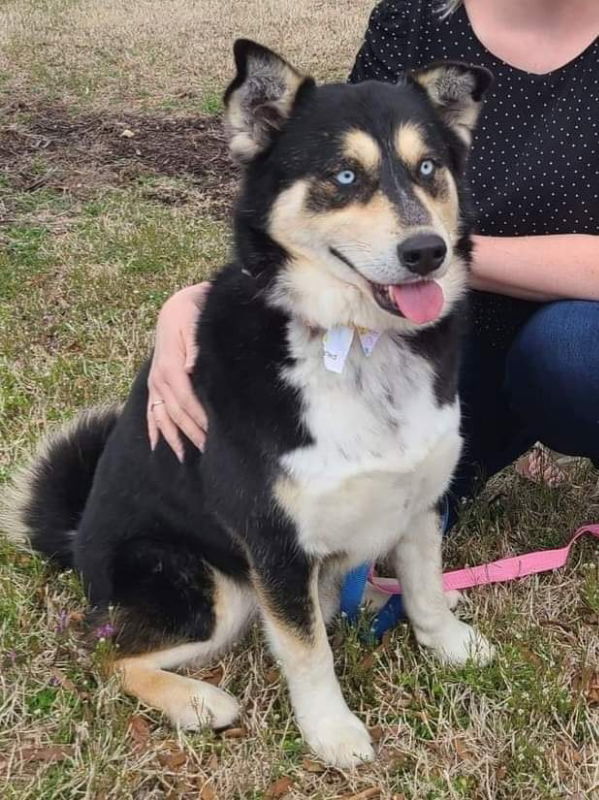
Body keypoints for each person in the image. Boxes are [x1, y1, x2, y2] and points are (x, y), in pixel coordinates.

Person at [147, 0, 599, 512]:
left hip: (572, 337)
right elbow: (332, 181)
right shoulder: (414, 20)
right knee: (352, 536)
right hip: (425, 343)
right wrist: (201, 301)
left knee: (572, 351)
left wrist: (427, 254)